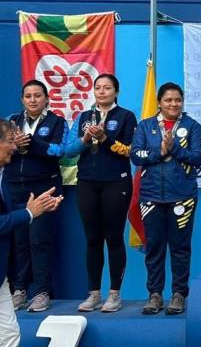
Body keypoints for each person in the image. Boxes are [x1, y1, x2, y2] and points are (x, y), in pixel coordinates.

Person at [0, 116, 62, 346]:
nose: (15, 146)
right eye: (10, 141)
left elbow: (0, 214)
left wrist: (35, 208)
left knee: (7, 337)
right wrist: (30, 213)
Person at [131, 82, 201, 315]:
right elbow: (136, 155)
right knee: (154, 248)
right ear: (160, 103)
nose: (173, 104)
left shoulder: (192, 126)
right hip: (151, 197)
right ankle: (154, 294)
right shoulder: (146, 127)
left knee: (180, 248)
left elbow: (197, 157)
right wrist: (159, 152)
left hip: (182, 197)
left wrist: (173, 149)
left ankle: (179, 294)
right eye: (168, 100)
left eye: (177, 100)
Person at [65, 74, 137, 312]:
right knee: (92, 238)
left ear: (116, 91)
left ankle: (114, 294)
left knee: (113, 237)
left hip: (116, 182)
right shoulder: (84, 117)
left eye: (107, 88)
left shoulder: (126, 116)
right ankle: (93, 293)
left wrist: (105, 138)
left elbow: (129, 151)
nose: (102, 91)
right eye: (98, 88)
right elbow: (69, 150)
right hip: (87, 182)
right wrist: (86, 138)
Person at [4, 80, 67, 312]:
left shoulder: (57, 121)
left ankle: (42, 292)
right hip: (14, 188)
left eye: (37, 95)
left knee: (40, 241)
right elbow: (0, 148)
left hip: (44, 189)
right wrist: (14, 145)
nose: (33, 100)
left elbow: (59, 151)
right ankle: (19, 290)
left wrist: (29, 143)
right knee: (19, 243)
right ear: (22, 99)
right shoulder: (11, 121)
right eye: (28, 96)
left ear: (46, 98)